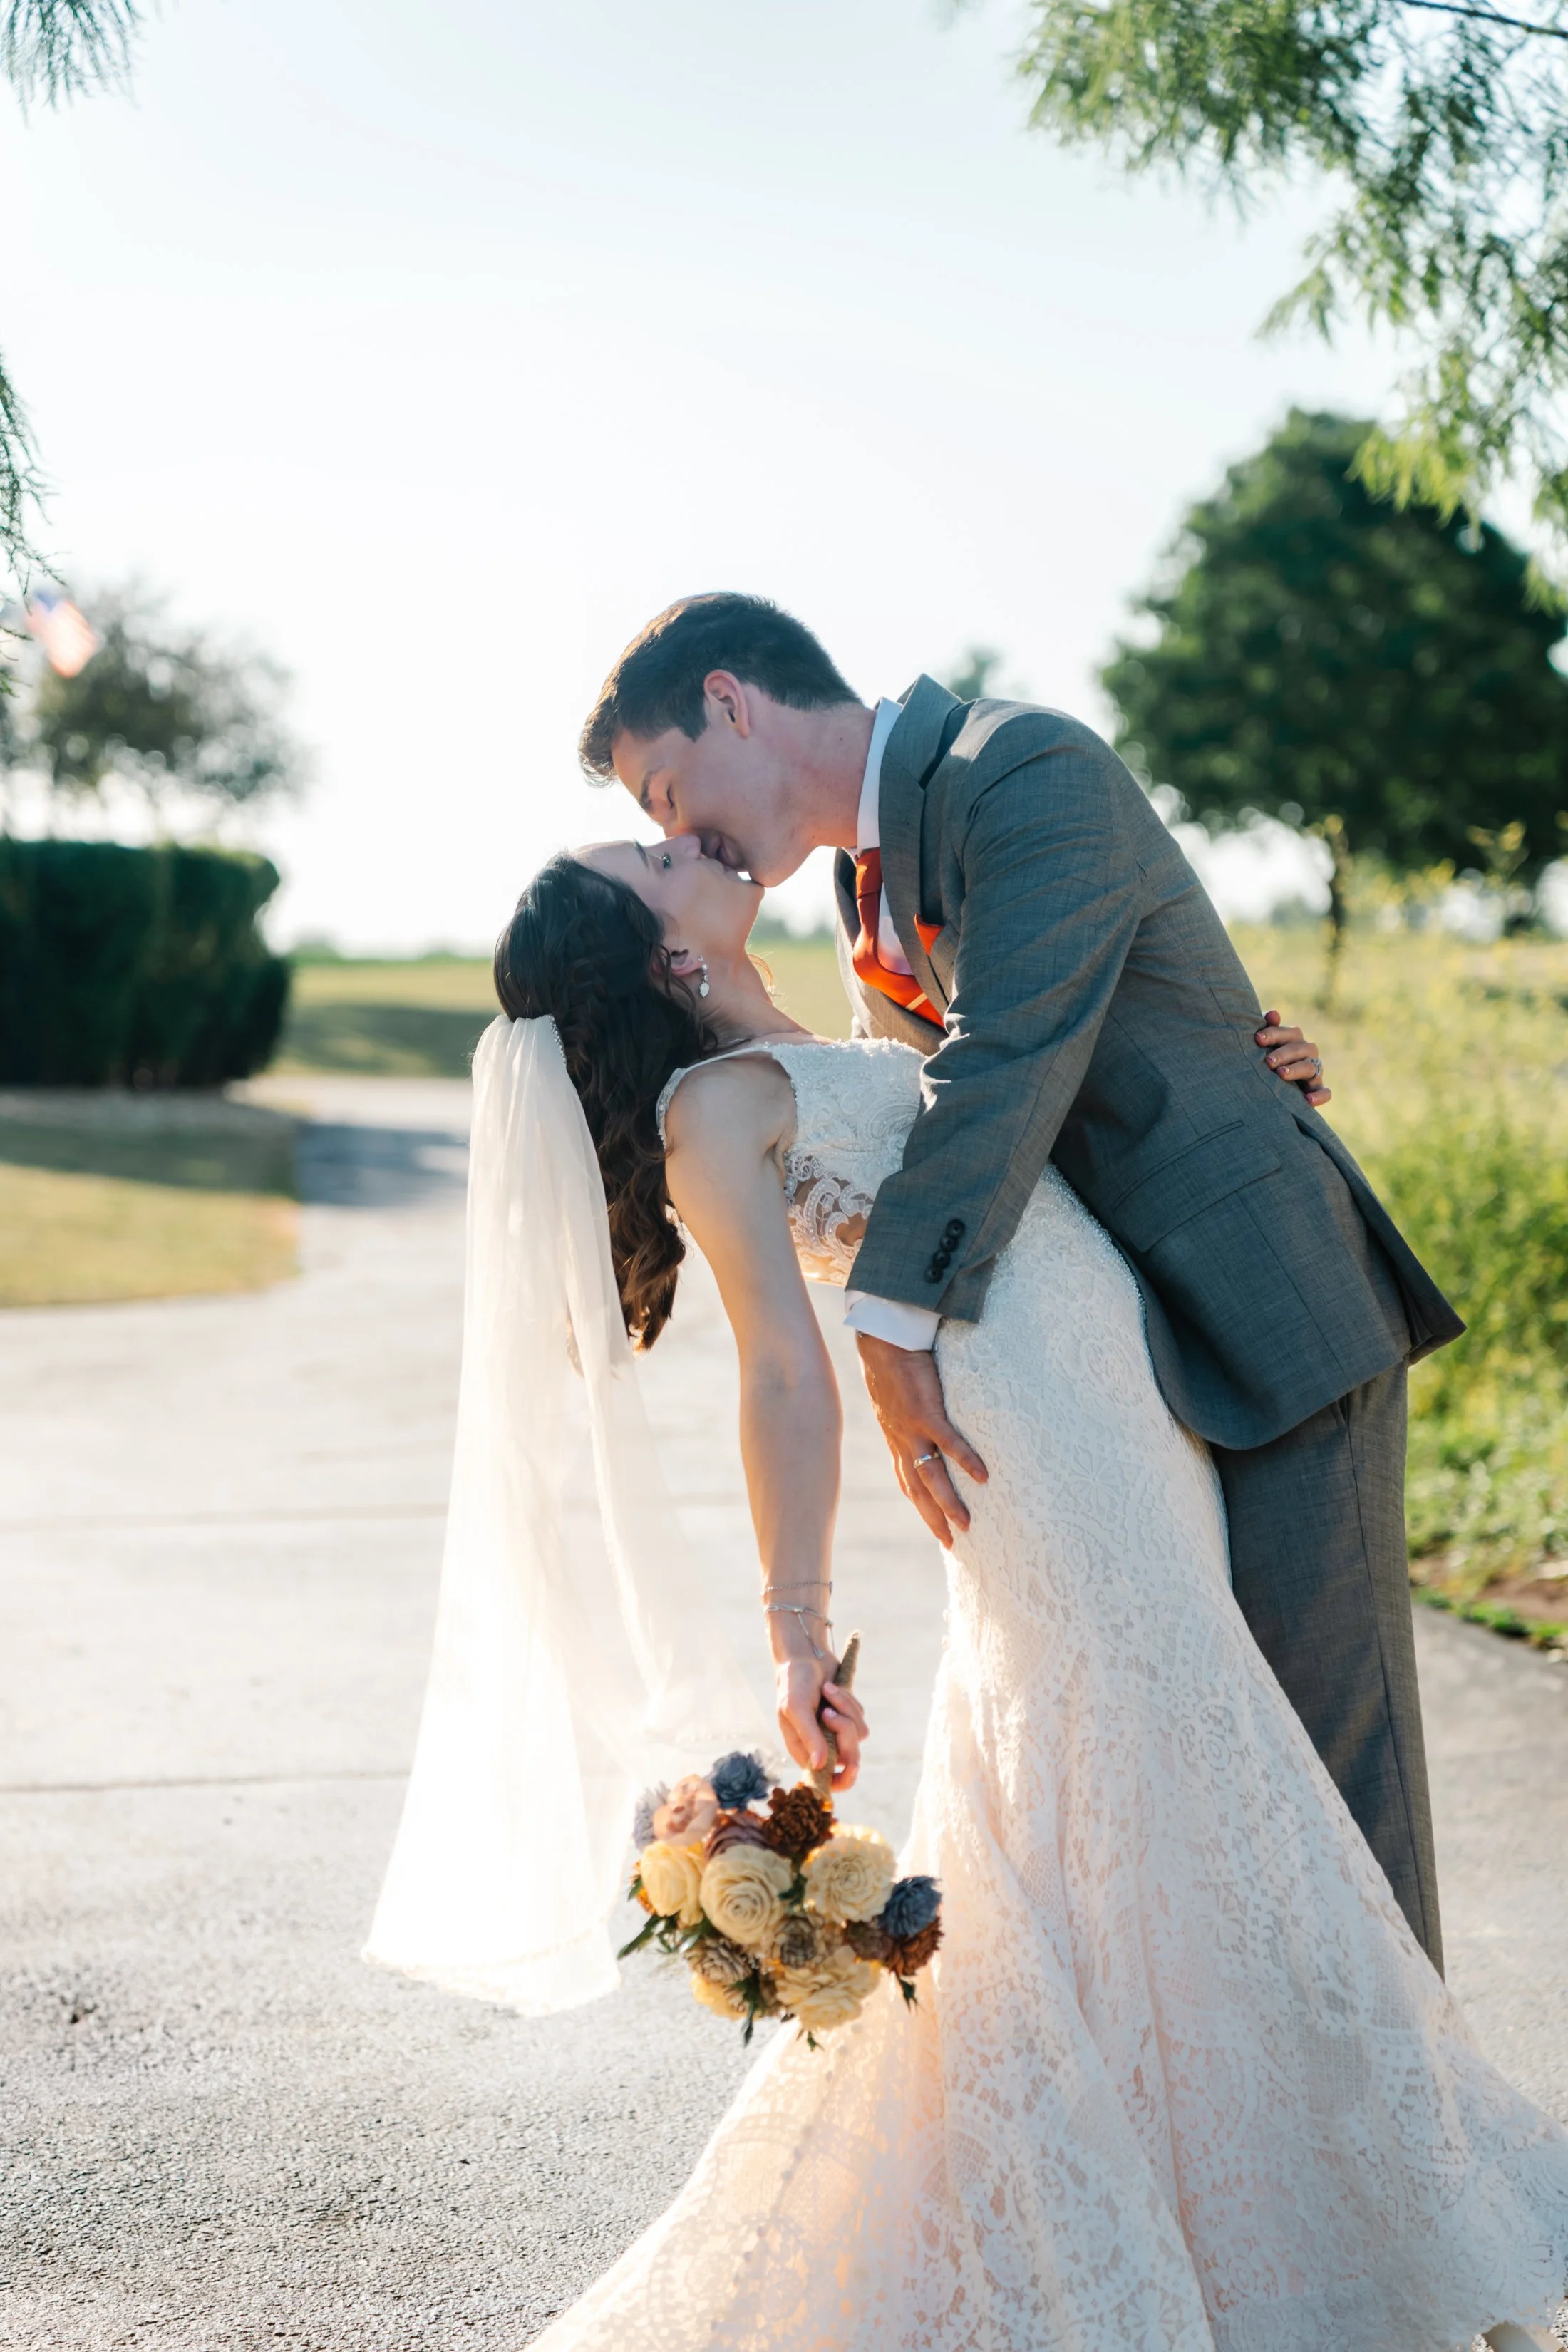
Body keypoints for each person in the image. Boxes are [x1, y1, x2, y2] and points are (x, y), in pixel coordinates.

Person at [400, 837, 1567, 2352]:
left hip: (1122, 1422)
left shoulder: (833, 1021)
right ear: (660, 961)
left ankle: (1224, 2200)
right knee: (1172, 1767)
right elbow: (778, 1370)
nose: (678, 840)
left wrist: (1251, 1069)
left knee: (1137, 1797)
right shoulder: (712, 1110)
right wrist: (797, 1623)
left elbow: (1036, 1118)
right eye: (647, 855)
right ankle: (1259, 2231)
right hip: (1032, 1460)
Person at [578, 592, 1465, 1977]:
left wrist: (884, 1323)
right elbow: (927, 1115)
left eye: (670, 787)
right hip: (1111, 1384)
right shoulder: (855, 887)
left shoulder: (1022, 767)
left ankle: (1408, 2161)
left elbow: (1001, 1062)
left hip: (1263, 1311)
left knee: (1328, 1781)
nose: (683, 832)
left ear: (733, 700)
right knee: (1202, 1781)